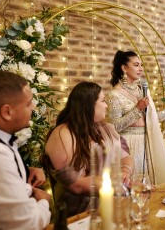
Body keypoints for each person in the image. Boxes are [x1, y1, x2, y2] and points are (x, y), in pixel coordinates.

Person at [0, 70, 51, 230]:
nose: (33, 108)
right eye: (28, 103)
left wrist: (25, 171)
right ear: (7, 112)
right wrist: (43, 201)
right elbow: (28, 224)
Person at [44, 81, 134, 217]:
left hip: (111, 205)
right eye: (103, 101)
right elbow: (75, 184)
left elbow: (126, 157)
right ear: (89, 105)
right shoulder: (62, 134)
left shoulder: (105, 129)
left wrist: (125, 171)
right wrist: (114, 183)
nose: (107, 105)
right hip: (78, 214)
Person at [107, 50, 165, 185]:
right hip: (129, 144)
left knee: (150, 185)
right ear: (124, 68)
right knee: (135, 185)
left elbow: (149, 117)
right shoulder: (114, 95)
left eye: (141, 65)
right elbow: (113, 127)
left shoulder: (141, 89)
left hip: (147, 141)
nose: (141, 69)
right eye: (136, 65)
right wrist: (137, 108)